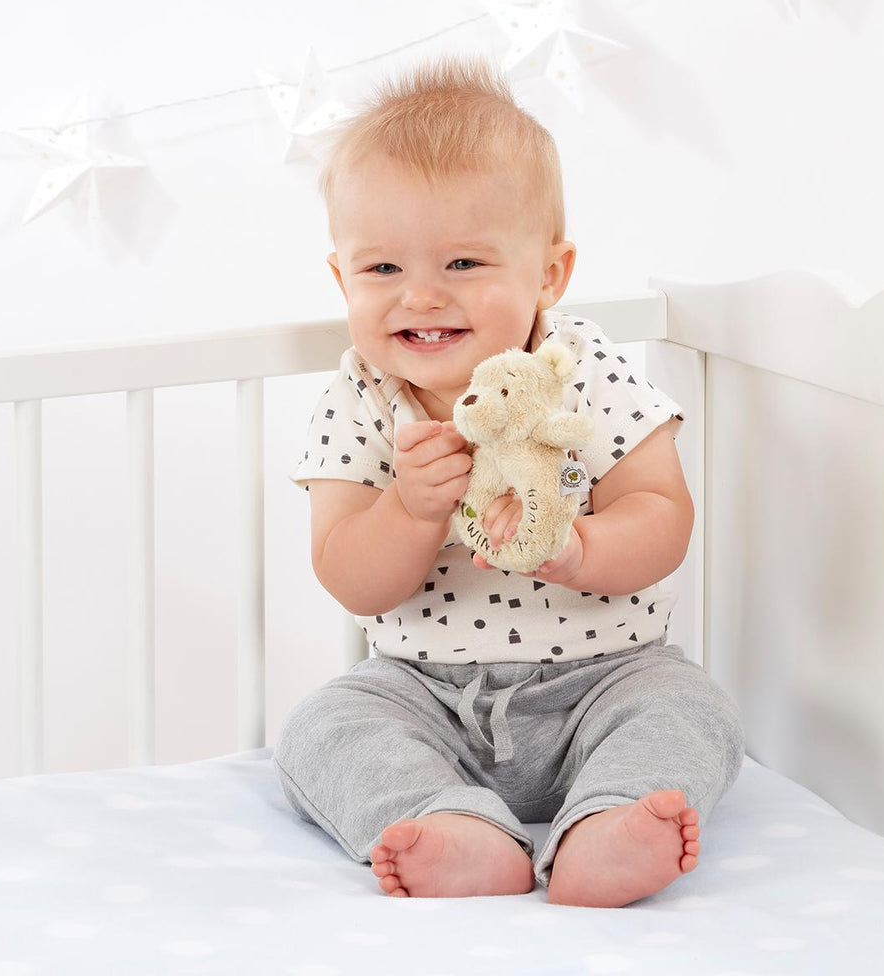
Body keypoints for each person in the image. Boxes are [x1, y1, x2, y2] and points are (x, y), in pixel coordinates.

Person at [275, 53, 744, 907]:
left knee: (692, 709)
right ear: (342, 278)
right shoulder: (362, 399)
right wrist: (408, 511)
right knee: (322, 727)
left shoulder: (584, 367)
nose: (419, 295)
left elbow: (663, 513)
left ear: (549, 276)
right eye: (383, 270)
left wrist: (577, 547)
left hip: (607, 674)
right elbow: (347, 572)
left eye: (461, 265)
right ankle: (452, 825)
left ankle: (607, 822)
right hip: (425, 693)